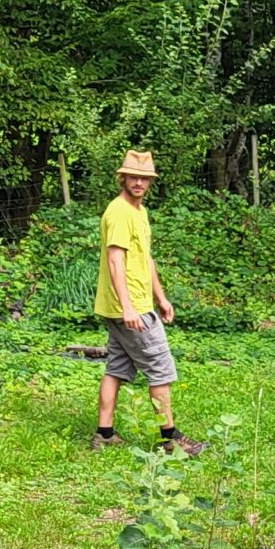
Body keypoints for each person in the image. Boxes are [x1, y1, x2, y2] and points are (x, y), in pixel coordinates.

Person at [94, 150, 192, 452]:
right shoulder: (120, 212)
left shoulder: (138, 211)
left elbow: (144, 258)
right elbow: (114, 261)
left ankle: (105, 434)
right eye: (133, 176)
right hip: (129, 306)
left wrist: (160, 297)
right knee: (160, 369)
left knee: (117, 368)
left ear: (150, 182)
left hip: (133, 303)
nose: (138, 182)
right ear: (122, 177)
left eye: (144, 178)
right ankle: (171, 439)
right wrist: (128, 307)